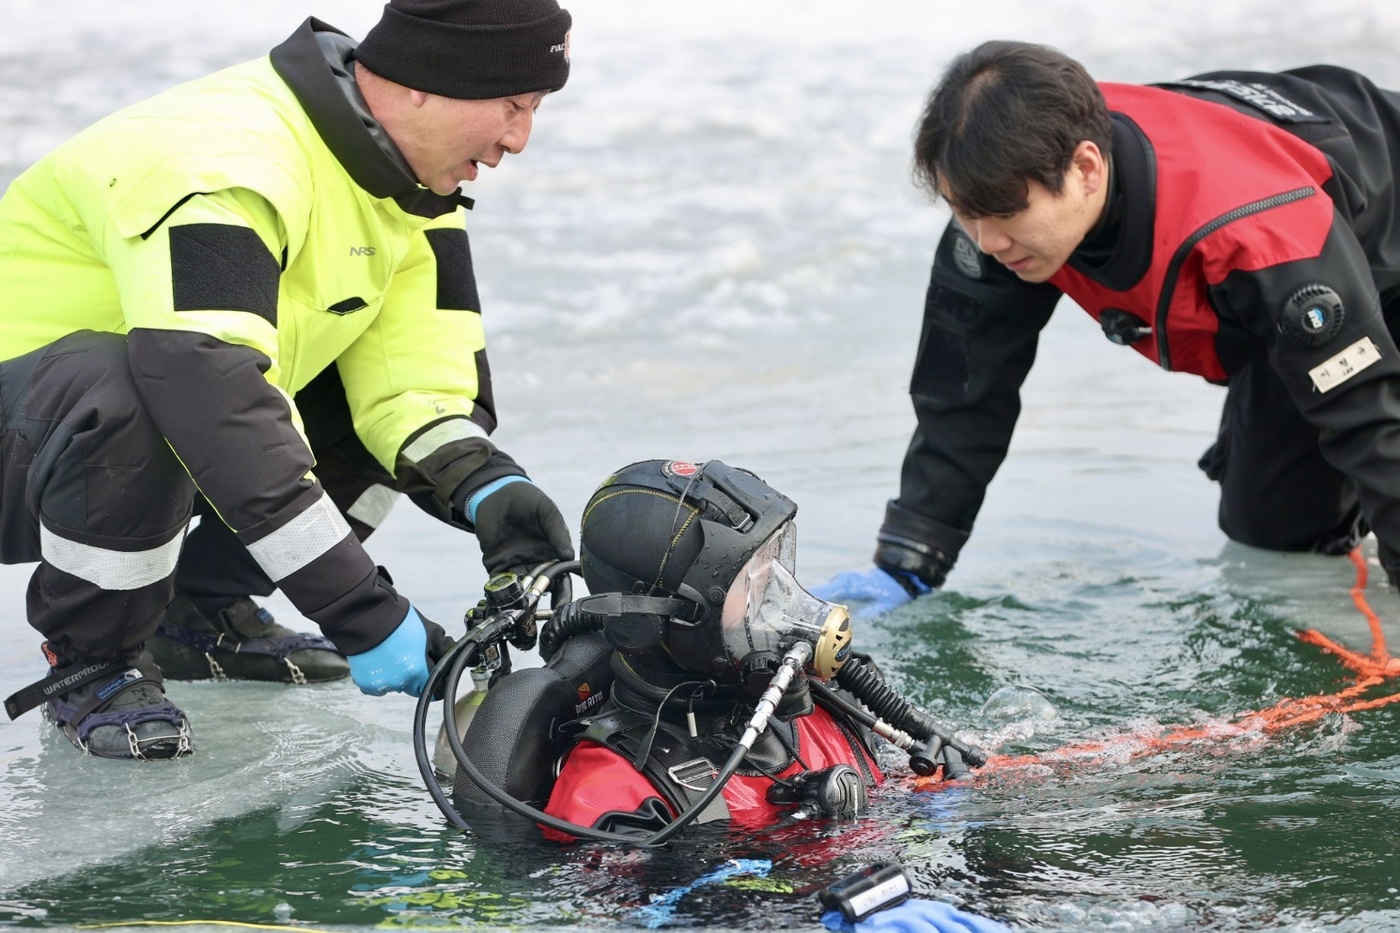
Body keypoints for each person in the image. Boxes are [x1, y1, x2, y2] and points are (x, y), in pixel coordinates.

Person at [0, 0, 577, 761]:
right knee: (140, 379)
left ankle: (196, 612)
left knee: (352, 414)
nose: (518, 139)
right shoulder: (223, 158)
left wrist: (490, 490)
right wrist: (358, 607)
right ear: (424, 83)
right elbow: (210, 391)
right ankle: (94, 658)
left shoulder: (409, 192)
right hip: (30, 445)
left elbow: (411, 389)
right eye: (511, 105)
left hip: (139, 438)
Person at [816, 41, 1400, 614]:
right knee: (1276, 530)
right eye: (963, 213)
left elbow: (1369, 421)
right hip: (1296, 274)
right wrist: (910, 560)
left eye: (1004, 216)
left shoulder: (1260, 232)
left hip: (1365, 248)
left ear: (1086, 167)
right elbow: (962, 393)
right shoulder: (994, 201)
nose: (987, 242)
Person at [447, 459, 908, 836]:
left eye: (774, 569)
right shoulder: (610, 793)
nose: (778, 599)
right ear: (658, 623)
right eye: (750, 583)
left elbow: (946, 779)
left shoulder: (829, 703)